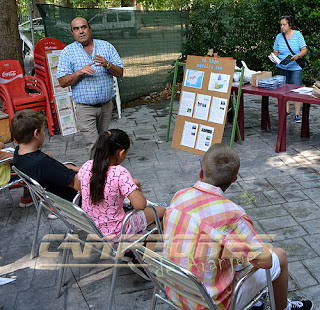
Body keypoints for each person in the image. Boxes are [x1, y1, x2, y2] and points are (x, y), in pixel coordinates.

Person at [163, 144, 313, 310]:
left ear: (200, 172)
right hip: (211, 304)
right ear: (234, 180)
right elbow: (266, 261)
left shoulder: (179, 196)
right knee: (280, 256)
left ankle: (255, 300)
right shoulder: (232, 215)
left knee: (238, 259)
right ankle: (284, 308)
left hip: (175, 290)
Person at [77, 129, 166, 241]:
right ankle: (142, 251)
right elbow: (140, 205)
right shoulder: (120, 173)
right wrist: (135, 189)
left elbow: (78, 185)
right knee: (162, 211)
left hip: (91, 226)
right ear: (121, 152)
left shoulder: (87, 165)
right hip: (117, 230)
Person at [56, 17, 124, 158]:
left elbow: (120, 73)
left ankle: (105, 170)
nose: (81, 31)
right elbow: (62, 82)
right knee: (93, 144)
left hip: (106, 106)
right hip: (85, 108)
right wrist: (79, 72)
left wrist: (108, 64)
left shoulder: (106, 46)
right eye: (76, 29)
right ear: (72, 33)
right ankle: (97, 175)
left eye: (83, 27)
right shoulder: (68, 52)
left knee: (104, 140)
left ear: (90, 29)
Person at [11, 110, 81, 209]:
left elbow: (55, 167)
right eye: (43, 131)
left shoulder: (18, 153)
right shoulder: (43, 163)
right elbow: (78, 185)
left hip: (53, 194)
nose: (44, 134)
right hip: (74, 201)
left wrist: (78, 168)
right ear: (36, 134)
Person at [270, 15, 307, 123]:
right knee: (283, 90)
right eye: (281, 25)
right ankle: (286, 112)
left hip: (295, 67)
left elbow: (304, 49)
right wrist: (272, 56)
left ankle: (297, 114)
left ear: (290, 25)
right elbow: (275, 52)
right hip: (282, 66)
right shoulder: (278, 37)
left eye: (284, 24)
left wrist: (298, 56)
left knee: (296, 90)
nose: (282, 27)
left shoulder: (297, 35)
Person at [0, 142, 33, 207]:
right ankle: (28, 197)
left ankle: (28, 195)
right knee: (27, 166)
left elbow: (2, 144)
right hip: (3, 176)